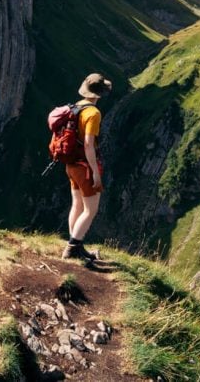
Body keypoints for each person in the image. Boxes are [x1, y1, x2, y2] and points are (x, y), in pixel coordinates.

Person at [63, 72, 112, 260]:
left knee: (76, 205)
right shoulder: (93, 113)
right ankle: (72, 248)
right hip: (85, 166)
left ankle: (75, 244)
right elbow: (89, 144)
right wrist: (95, 173)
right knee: (91, 210)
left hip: (71, 164)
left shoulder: (75, 107)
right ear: (99, 94)